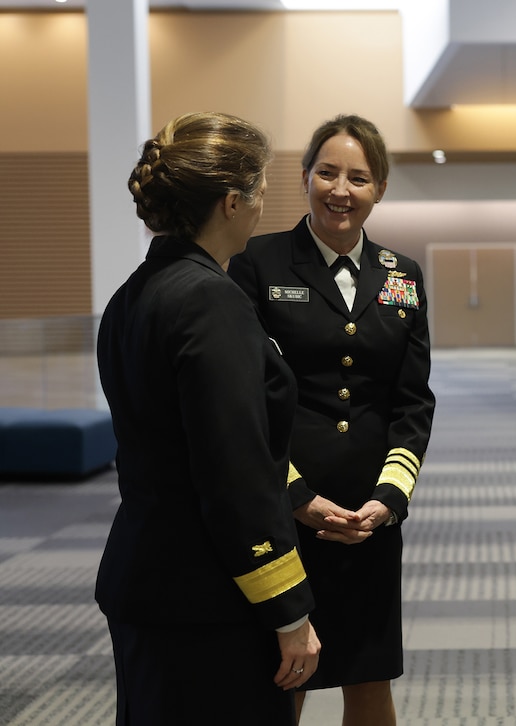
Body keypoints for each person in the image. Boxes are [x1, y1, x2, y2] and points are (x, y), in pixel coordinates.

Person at [96, 111, 321, 726]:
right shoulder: (208, 300)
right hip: (209, 597)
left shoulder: (134, 294)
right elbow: (234, 473)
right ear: (230, 202)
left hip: (151, 578)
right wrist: (287, 610)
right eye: (260, 195)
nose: (261, 209)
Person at [228, 113, 435, 726]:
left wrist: (390, 498)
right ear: (304, 178)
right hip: (286, 515)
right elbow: (244, 402)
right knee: (284, 678)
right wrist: (296, 496)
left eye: (359, 178)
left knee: (369, 676)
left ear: (380, 189)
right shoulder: (257, 265)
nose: (341, 190)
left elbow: (412, 401)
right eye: (328, 173)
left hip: (370, 519)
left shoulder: (403, 277)